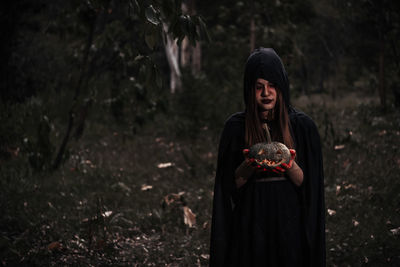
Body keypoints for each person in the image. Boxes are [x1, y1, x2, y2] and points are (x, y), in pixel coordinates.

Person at [209, 48, 325, 267]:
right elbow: (230, 186)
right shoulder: (235, 127)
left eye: (272, 86)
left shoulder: (302, 126)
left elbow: (308, 186)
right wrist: (249, 164)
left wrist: (288, 162)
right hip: (251, 223)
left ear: (281, 88)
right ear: (249, 89)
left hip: (289, 223)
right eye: (259, 87)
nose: (266, 93)